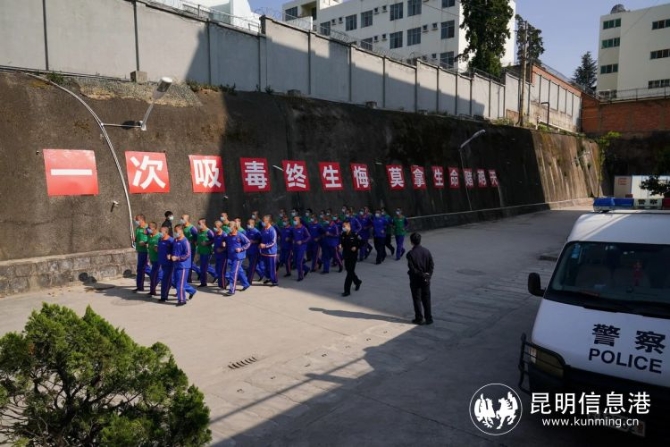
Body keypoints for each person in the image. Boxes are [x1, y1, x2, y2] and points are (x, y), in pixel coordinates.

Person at [406, 233, 434, 325]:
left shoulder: (410, 254)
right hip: (426, 280)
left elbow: (412, 269)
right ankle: (429, 318)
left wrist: (422, 275)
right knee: (426, 298)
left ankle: (419, 318)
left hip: (416, 280)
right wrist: (428, 275)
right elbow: (431, 265)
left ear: (411, 242)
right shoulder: (427, 251)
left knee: (417, 299)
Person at [171, 224, 196, 306]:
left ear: (181, 231)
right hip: (176, 265)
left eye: (177, 231)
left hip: (183, 266)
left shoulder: (185, 242)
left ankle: (182, 300)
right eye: (175, 231)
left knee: (180, 284)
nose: (175, 232)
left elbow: (187, 254)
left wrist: (177, 258)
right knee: (175, 282)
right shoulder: (175, 240)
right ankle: (192, 290)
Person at [224, 221, 251, 296]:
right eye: (228, 226)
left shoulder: (240, 235)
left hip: (238, 257)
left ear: (235, 227)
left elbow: (248, 242)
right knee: (239, 271)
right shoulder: (228, 236)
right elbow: (226, 242)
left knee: (233, 273)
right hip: (231, 257)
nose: (228, 228)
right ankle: (246, 284)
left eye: (230, 226)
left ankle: (232, 290)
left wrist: (241, 249)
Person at [340, 220, 363, 297]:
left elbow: (362, 242)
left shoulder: (355, 234)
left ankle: (347, 291)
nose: (343, 227)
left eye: (344, 226)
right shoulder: (343, 234)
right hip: (346, 255)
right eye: (342, 226)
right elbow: (342, 243)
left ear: (349, 226)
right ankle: (357, 282)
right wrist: (340, 245)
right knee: (349, 271)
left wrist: (356, 247)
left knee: (349, 273)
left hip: (353, 256)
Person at [259, 215, 278, 287]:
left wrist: (265, 245)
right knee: (264, 267)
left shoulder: (272, 230)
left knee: (272, 268)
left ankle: (274, 281)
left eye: (264, 221)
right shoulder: (263, 229)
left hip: (271, 253)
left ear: (268, 221)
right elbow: (261, 238)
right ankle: (268, 277)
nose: (262, 222)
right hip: (264, 252)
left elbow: (273, 242)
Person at [291, 215, 311, 281]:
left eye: (295, 220)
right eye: (294, 220)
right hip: (295, 246)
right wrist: (292, 240)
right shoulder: (293, 228)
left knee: (299, 261)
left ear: (299, 221)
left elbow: (309, 237)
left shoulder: (303, 228)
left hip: (302, 247)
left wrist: (302, 241)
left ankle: (300, 276)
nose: (294, 221)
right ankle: (306, 269)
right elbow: (292, 236)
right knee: (295, 262)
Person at [196, 218, 215, 287]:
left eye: (199, 224)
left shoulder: (209, 232)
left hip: (207, 252)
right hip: (201, 251)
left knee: (204, 268)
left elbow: (214, 240)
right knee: (203, 267)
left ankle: (203, 282)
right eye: (198, 224)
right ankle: (204, 282)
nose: (198, 225)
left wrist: (207, 243)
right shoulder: (200, 231)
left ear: (204, 223)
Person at [157, 224, 174, 302]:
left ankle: (163, 297)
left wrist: (171, 255)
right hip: (162, 262)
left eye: (161, 232)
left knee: (165, 280)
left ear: (166, 232)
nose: (159, 233)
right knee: (170, 280)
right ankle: (189, 290)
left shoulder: (171, 240)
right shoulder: (160, 239)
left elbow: (176, 251)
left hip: (169, 263)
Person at [180, 214, 199, 283]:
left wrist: (193, 241)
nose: (181, 220)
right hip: (183, 248)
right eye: (181, 218)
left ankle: (188, 278)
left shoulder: (192, 228)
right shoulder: (182, 227)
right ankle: (199, 272)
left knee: (189, 263)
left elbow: (197, 237)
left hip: (191, 248)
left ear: (187, 219)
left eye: (182, 218)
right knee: (188, 263)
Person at [133, 214, 149, 292]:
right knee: (140, 269)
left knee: (145, 268)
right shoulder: (138, 228)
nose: (135, 221)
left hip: (146, 251)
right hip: (140, 251)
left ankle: (159, 276)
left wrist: (145, 243)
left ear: (141, 220)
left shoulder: (148, 228)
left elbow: (154, 238)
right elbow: (138, 238)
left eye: (136, 219)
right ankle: (140, 286)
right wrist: (135, 239)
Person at [147, 222, 161, 296]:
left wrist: (158, 249)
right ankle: (152, 290)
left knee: (155, 275)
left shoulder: (159, 236)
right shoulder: (150, 236)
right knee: (154, 275)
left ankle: (152, 290)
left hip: (159, 260)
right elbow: (149, 244)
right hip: (152, 259)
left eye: (149, 228)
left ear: (154, 228)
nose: (148, 229)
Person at [212, 220, 228, 290]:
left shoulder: (224, 235)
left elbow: (228, 246)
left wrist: (222, 249)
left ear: (220, 227)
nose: (214, 228)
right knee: (217, 270)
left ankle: (223, 285)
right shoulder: (215, 234)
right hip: (217, 255)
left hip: (223, 256)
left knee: (222, 271)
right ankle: (220, 284)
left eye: (216, 227)